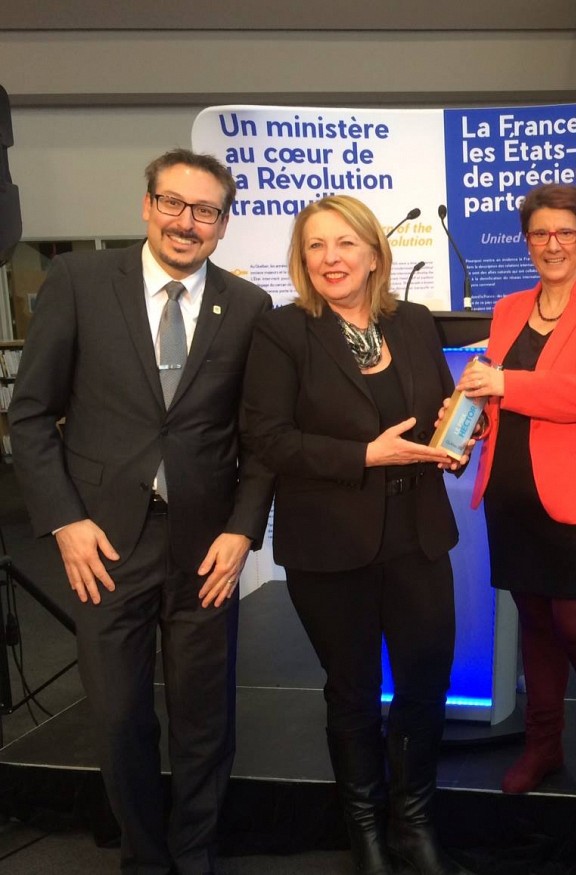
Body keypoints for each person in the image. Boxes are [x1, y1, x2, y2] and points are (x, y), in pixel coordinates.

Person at [8, 149, 274, 874]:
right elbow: (30, 417)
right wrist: (65, 519)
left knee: (202, 720)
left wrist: (243, 529)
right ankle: (144, 857)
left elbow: (261, 439)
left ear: (223, 224)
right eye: (174, 203)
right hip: (101, 543)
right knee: (120, 716)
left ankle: (193, 854)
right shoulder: (79, 282)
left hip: (205, 549)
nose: (187, 222)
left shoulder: (248, 308)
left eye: (206, 210)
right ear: (147, 204)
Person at [241, 195, 473, 875]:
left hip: (418, 532)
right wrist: (366, 455)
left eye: (346, 243)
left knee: (427, 682)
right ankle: (366, 836)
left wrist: (460, 430)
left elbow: (434, 409)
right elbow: (266, 438)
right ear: (301, 259)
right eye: (316, 246)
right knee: (352, 690)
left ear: (375, 252)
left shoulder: (416, 323)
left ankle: (415, 825)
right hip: (330, 542)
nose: (332, 258)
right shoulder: (284, 332)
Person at [457, 183, 576, 805]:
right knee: (534, 623)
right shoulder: (508, 307)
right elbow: (496, 397)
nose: (552, 244)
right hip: (510, 489)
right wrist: (474, 417)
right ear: (526, 241)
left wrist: (506, 381)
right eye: (540, 233)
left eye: (565, 232)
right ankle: (544, 744)